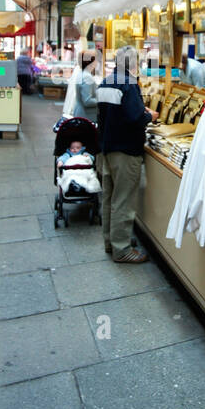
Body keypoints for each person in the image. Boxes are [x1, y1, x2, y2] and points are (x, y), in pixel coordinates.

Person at [97, 46, 156, 264]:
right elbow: (135, 118)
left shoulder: (106, 82)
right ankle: (122, 249)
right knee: (123, 200)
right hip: (125, 151)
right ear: (133, 64)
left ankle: (109, 241)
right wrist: (150, 116)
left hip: (107, 149)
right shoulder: (129, 84)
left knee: (109, 198)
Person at [62, 49, 100, 123]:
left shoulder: (82, 74)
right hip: (85, 116)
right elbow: (87, 101)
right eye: (96, 60)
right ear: (91, 62)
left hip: (81, 114)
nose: (97, 62)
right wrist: (101, 99)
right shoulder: (87, 77)